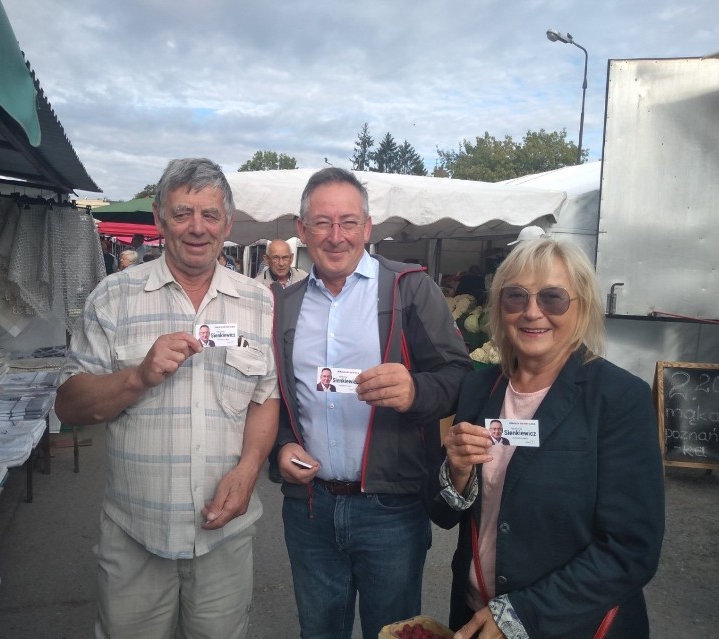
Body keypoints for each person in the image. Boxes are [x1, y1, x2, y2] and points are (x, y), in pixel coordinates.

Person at [55, 157, 279, 639]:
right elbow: (69, 405)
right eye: (182, 213)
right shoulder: (113, 297)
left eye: (210, 215)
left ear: (228, 223)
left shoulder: (259, 302)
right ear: (159, 218)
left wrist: (249, 468)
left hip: (226, 538)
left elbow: (265, 397)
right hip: (136, 536)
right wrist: (137, 377)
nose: (197, 228)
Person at [423, 237, 664, 638]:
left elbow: (631, 549)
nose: (532, 312)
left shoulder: (619, 399)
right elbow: (444, 515)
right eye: (516, 297)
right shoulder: (478, 388)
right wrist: (457, 472)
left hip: (568, 624)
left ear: (582, 306)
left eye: (553, 298)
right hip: (474, 616)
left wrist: (521, 614)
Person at [272, 167, 473, 639]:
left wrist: (416, 391)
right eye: (322, 223)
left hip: (391, 509)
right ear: (302, 231)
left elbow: (459, 375)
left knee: (394, 632)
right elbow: (278, 396)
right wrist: (280, 445)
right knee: (319, 632)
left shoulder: (408, 288)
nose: (336, 236)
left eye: (348, 222)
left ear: (367, 226)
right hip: (310, 507)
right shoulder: (286, 303)